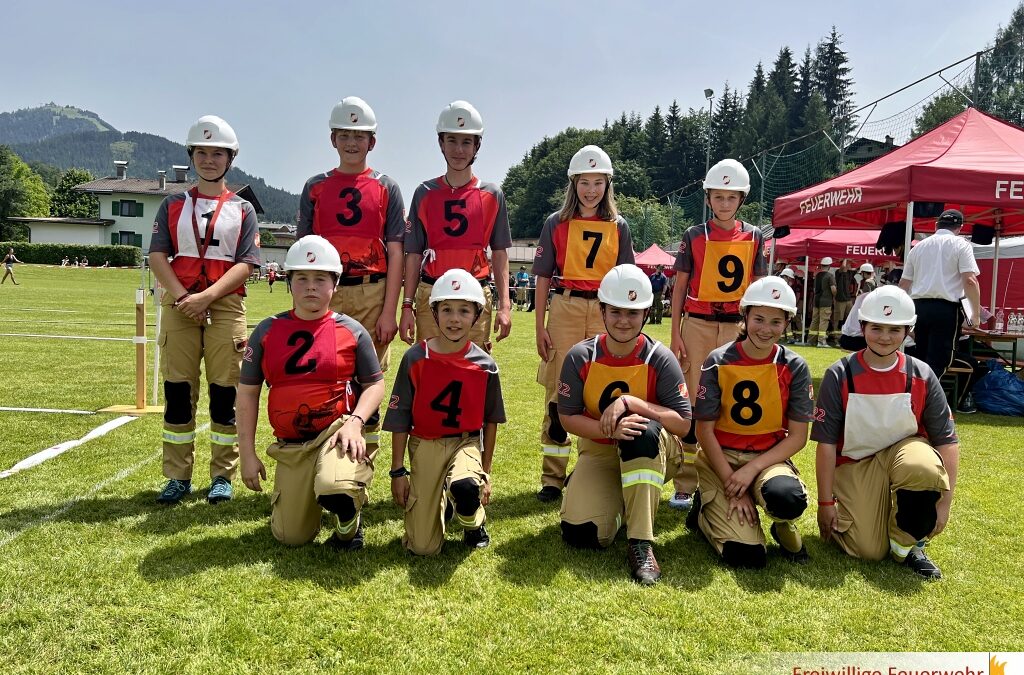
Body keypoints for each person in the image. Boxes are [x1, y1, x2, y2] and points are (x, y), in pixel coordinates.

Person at [237, 236, 385, 548]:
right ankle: (311, 495)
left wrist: (356, 421)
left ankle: (348, 521)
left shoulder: (352, 330)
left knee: (336, 486)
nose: (311, 287)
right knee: (291, 536)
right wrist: (248, 455)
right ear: (289, 282)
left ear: (335, 283)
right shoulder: (266, 331)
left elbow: (375, 384)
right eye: (301, 278)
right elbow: (247, 393)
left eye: (320, 279)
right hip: (292, 445)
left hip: (336, 433)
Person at [148, 115, 261, 505]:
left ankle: (221, 475)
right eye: (202, 152)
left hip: (224, 305)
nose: (209, 159)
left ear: (230, 159)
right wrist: (184, 298)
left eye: (217, 153)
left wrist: (206, 297)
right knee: (178, 392)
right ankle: (177, 476)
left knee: (223, 393)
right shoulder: (172, 204)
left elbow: (247, 263)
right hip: (180, 303)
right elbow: (157, 256)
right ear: (191, 156)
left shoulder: (244, 209)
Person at [813, 285, 959, 580]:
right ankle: (868, 520)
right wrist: (825, 503)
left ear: (908, 331)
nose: (884, 337)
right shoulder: (839, 374)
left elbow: (947, 442)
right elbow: (826, 445)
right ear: (863, 327)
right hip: (855, 465)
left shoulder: (922, 374)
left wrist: (944, 505)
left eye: (894, 329)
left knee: (923, 467)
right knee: (867, 550)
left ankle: (910, 546)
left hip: (904, 456)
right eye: (876, 328)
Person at [557, 264, 691, 585]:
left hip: (654, 451)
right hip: (600, 452)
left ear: (646, 313)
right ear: (601, 310)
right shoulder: (580, 356)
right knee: (582, 534)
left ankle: (640, 543)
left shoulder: (659, 357)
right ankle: (615, 495)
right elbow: (567, 416)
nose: (623, 321)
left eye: (633, 313)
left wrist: (635, 404)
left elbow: (684, 424)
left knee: (640, 431)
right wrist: (609, 430)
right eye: (615, 311)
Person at [532, 145, 634, 503]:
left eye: (598, 183)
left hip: (605, 313)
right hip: (566, 306)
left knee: (600, 391)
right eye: (584, 182)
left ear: (608, 185)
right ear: (573, 184)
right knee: (558, 396)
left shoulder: (618, 226)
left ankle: (593, 468)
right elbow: (543, 277)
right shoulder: (556, 223)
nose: (591, 190)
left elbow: (627, 276)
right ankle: (552, 476)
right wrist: (540, 325)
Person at [687, 277, 813, 568]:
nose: (766, 329)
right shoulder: (718, 360)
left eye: (775, 322)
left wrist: (752, 471)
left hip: (767, 460)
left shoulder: (794, 366)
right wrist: (733, 482)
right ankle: (705, 511)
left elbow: (797, 437)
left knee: (787, 497)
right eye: (758, 319)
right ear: (744, 316)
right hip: (722, 459)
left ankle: (780, 523)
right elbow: (704, 430)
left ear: (786, 324)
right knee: (746, 556)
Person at [668, 159, 767, 511]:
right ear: (708, 198)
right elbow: (680, 286)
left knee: (727, 403)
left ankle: (722, 477)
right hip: (697, 323)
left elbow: (757, 288)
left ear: (741, 199)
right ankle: (684, 482)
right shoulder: (694, 235)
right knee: (691, 403)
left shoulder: (754, 236)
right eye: (718, 197)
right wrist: (675, 331)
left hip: (736, 327)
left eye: (731, 197)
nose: (724, 204)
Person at [384, 269, 505, 555]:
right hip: (425, 443)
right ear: (434, 312)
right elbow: (400, 416)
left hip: (466, 443)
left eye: (464, 310)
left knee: (465, 486)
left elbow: (491, 422)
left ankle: (472, 521)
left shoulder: (485, 364)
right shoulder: (415, 358)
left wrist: (485, 474)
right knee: (423, 548)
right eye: (447, 309)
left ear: (476, 316)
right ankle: (444, 502)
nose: (454, 319)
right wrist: (398, 471)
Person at [399, 100, 511, 350]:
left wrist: (505, 305)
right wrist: (407, 306)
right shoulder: (424, 192)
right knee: (429, 370)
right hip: (432, 293)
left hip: (476, 294)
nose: (459, 150)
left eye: (466, 142)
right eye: (452, 140)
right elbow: (414, 254)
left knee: (474, 372)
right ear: (440, 143)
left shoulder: (492, 194)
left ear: (477, 145)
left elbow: (500, 253)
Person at [899, 209, 981, 379]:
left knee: (921, 357)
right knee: (940, 360)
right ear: (960, 228)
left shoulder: (918, 247)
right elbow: (970, 281)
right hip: (946, 309)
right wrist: (976, 314)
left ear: (936, 225)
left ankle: (917, 396)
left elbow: (903, 284)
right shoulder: (961, 244)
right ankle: (926, 400)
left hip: (919, 307)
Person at [810, 257, 837, 348]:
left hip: (816, 301)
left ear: (821, 265)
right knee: (824, 321)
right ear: (829, 266)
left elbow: (814, 289)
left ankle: (811, 340)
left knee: (814, 321)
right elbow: (833, 289)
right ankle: (821, 341)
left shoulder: (817, 276)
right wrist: (834, 295)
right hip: (826, 302)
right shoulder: (830, 276)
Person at [833, 259, 856, 331]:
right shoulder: (838, 272)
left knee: (850, 316)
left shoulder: (850, 273)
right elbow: (843, 266)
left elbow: (860, 269)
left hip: (848, 300)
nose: (850, 265)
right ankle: (836, 336)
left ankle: (846, 333)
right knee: (838, 318)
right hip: (840, 300)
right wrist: (846, 257)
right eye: (849, 264)